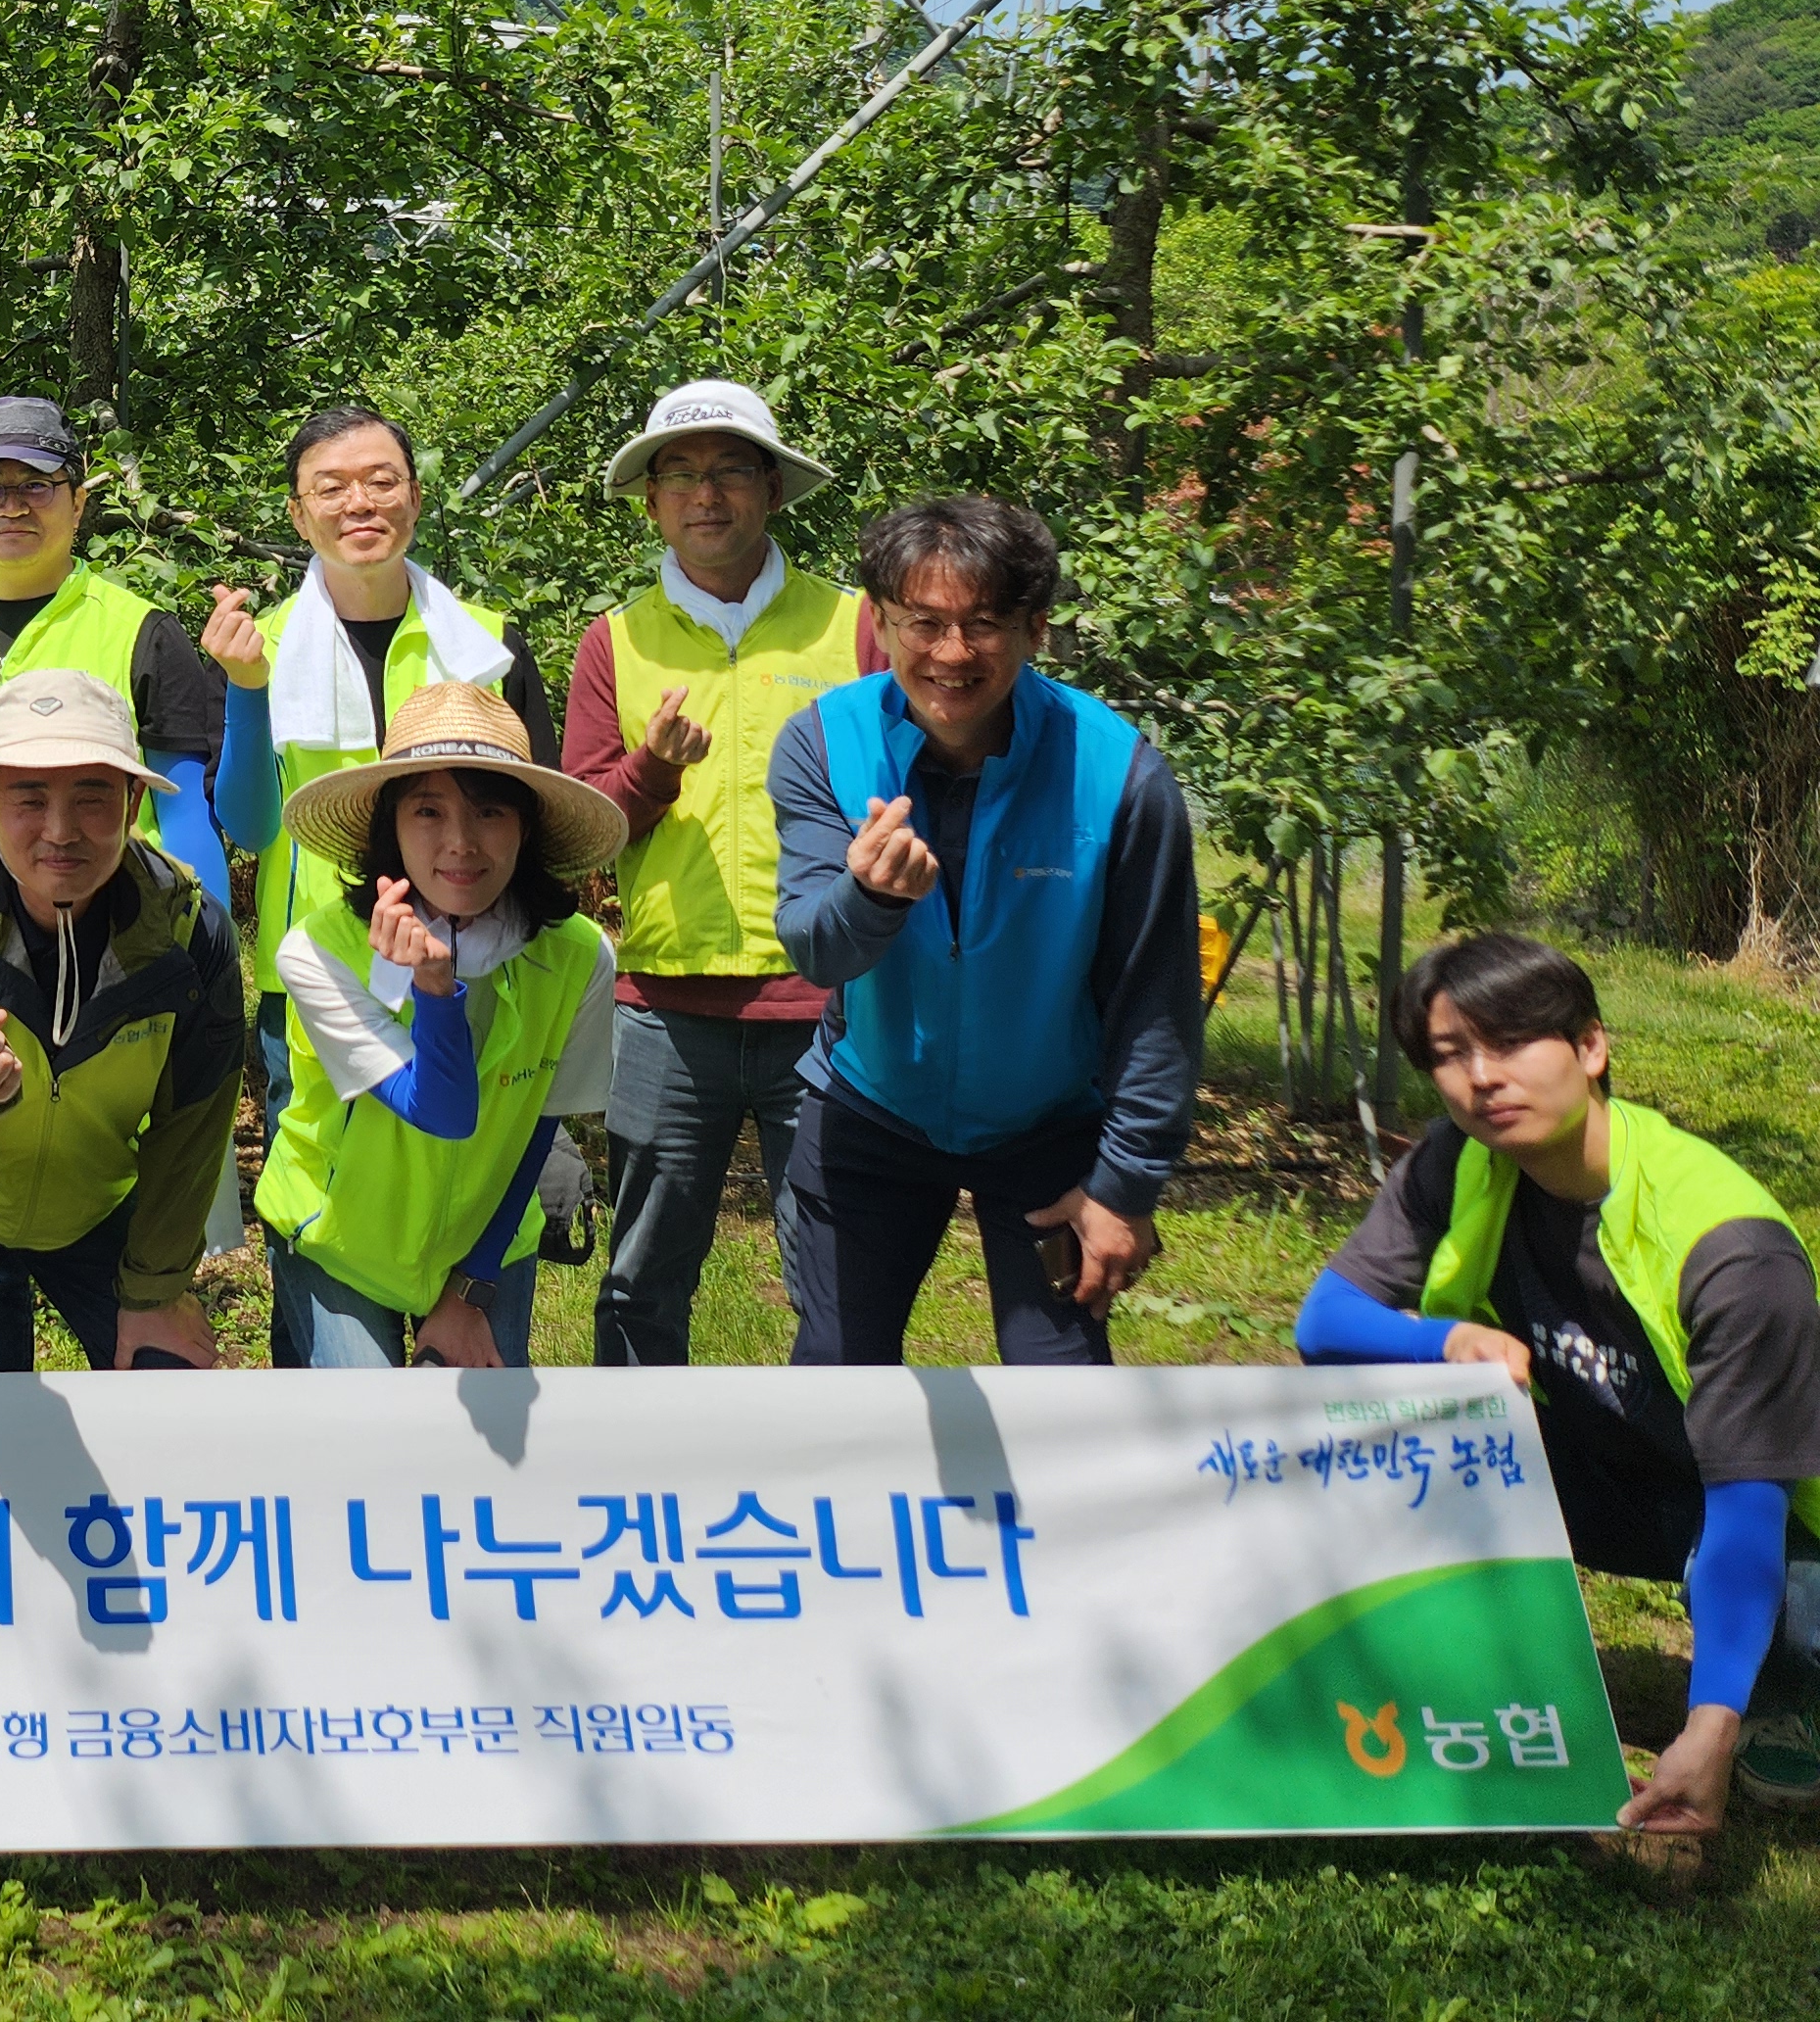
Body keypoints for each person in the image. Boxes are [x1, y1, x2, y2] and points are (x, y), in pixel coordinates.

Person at [1298, 933, 1820, 1829]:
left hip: (1777, 1510)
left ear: (1591, 1047)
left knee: (1787, 1597)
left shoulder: (1733, 1252)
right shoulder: (1461, 1160)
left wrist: (1709, 1725)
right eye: (1451, 1055)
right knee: (1397, 1435)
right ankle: (1428, 1652)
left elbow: (1748, 1506)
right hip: (1619, 1474)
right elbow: (1325, 1324)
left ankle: (1780, 1685)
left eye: (1509, 1043)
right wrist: (1445, 1340)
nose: (1481, 1078)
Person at [768, 496, 1201, 1366]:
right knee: (837, 1389)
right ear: (879, 622)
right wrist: (871, 898)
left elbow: (1154, 1001)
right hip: (871, 1113)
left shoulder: (1117, 771)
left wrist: (1126, 1185)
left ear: (1037, 628)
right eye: (924, 622)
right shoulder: (823, 742)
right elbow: (815, 947)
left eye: (986, 624)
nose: (952, 653)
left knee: (1061, 1396)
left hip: (1049, 1124)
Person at [559, 382, 882, 1365]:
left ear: (773, 489)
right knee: (640, 1281)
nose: (707, 494)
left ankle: (838, 1454)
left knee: (836, 1274)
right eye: (681, 474)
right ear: (651, 501)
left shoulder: (856, 627)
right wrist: (652, 770)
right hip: (666, 1007)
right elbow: (580, 830)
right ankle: (643, 1453)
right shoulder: (615, 641)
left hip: (831, 1005)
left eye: (732, 470)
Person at [0, 673, 250, 1372]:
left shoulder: (189, 930)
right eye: (28, 799)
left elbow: (193, 1127)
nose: (60, 832)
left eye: (92, 797)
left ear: (132, 802)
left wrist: (154, 1290)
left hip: (96, 1204)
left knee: (164, 1380)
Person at [257, 686, 620, 1368]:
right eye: (428, 810)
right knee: (370, 1428)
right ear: (389, 827)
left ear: (526, 828)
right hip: (339, 1239)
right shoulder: (320, 952)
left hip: (490, 1236)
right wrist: (434, 989)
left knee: (477, 1433)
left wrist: (472, 1285)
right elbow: (443, 1113)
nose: (460, 842)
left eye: (490, 810)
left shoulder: (580, 957)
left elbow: (540, 1127)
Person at [0, 395, 273, 912]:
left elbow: (184, 814)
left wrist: (204, 939)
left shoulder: (143, 632)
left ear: (77, 503)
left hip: (115, 931)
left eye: (36, 485)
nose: (12, 506)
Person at [249, 405, 555, 1122]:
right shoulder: (256, 651)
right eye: (331, 488)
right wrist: (240, 689)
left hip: (481, 953)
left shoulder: (489, 644)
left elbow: (539, 808)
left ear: (415, 497)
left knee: (480, 1143)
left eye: (382, 481)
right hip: (315, 959)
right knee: (322, 1155)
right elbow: (241, 818)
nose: (359, 503)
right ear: (298, 514)